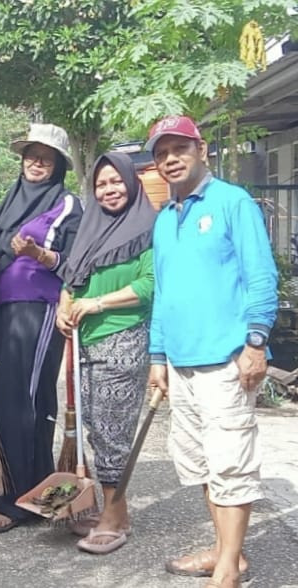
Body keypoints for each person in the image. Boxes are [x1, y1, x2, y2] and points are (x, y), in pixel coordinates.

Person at [145, 115, 277, 588]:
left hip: (226, 358)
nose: (170, 160)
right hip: (180, 365)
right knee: (202, 463)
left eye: (179, 149)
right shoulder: (165, 219)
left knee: (231, 462)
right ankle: (227, 553)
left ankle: (227, 571)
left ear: (201, 150)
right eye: (161, 154)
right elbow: (163, 292)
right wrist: (157, 357)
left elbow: (261, 275)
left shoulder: (231, 203)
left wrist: (256, 342)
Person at [0, 123, 83, 533]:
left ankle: (16, 501)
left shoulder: (67, 204)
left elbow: (74, 262)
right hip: (2, 307)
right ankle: (32, 492)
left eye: (46, 157)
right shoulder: (9, 199)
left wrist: (40, 254)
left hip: (39, 310)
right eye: (31, 155)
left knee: (24, 400)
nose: (36, 162)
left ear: (58, 165)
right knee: (5, 398)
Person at [55, 151, 156, 554]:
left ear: (131, 184)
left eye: (116, 182)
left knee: (113, 433)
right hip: (85, 344)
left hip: (123, 339)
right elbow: (72, 279)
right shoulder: (90, 229)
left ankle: (114, 519)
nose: (109, 190)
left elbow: (150, 284)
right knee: (96, 429)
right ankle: (117, 511)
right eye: (101, 184)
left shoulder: (149, 227)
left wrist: (98, 305)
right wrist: (65, 307)